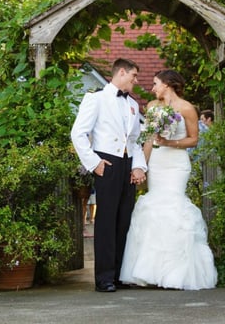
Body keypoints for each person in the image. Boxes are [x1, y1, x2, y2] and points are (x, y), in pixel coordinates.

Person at [120, 69, 217, 290]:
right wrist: (141, 167)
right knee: (154, 208)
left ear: (168, 84)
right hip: (157, 162)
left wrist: (169, 143)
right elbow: (147, 140)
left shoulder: (187, 108)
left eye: (155, 83)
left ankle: (176, 272)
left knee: (174, 207)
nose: (152, 88)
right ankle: (151, 271)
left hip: (176, 163)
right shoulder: (153, 107)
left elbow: (193, 140)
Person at [71, 58, 147, 293]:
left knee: (124, 220)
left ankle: (118, 274)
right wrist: (94, 163)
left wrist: (138, 167)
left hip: (127, 165)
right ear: (121, 72)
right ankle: (104, 278)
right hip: (107, 163)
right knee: (105, 221)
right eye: (134, 75)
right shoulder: (96, 99)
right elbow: (78, 134)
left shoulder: (133, 105)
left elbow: (134, 141)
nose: (136, 80)